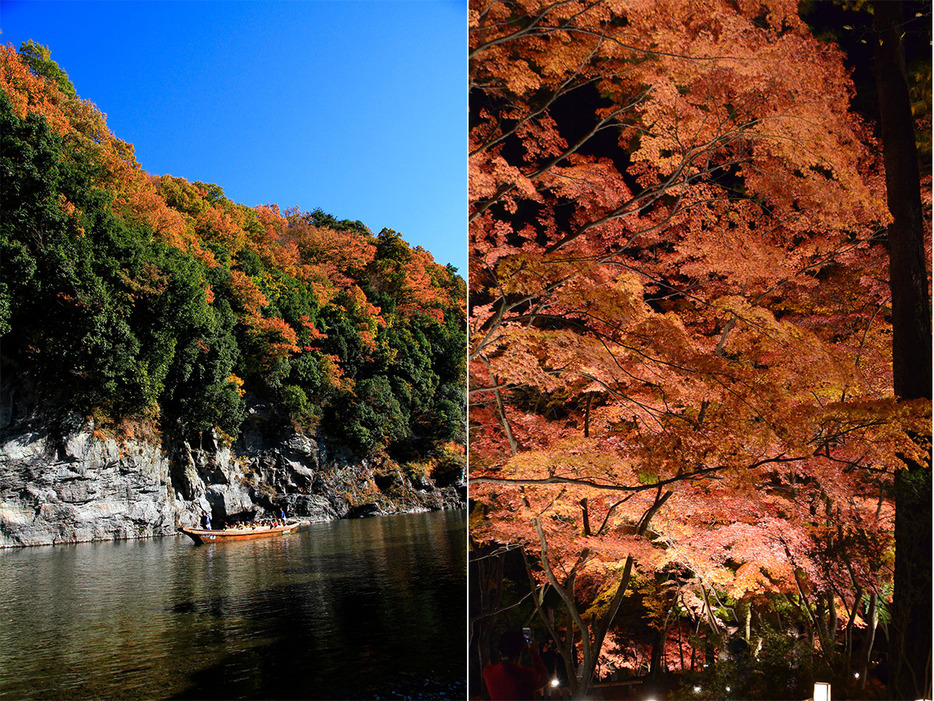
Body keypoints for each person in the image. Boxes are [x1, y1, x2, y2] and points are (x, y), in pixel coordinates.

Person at [483, 629, 549, 701]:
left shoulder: (488, 671)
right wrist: (535, 655)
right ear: (519, 653)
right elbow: (544, 678)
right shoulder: (526, 676)